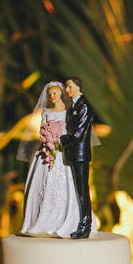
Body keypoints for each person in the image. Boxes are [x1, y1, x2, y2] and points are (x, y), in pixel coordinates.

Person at [18, 81, 83, 237]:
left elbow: (70, 131)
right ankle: (41, 218)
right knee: (42, 182)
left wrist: (60, 140)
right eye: (50, 94)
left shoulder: (68, 113)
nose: (52, 97)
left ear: (60, 94)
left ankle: (64, 218)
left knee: (64, 183)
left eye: (55, 93)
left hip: (61, 152)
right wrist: (47, 139)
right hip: (47, 150)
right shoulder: (46, 112)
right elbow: (43, 129)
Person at [61, 76, 101, 238]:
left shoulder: (84, 106)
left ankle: (86, 225)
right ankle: (80, 221)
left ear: (78, 87)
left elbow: (78, 134)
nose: (67, 90)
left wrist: (61, 140)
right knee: (78, 189)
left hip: (80, 154)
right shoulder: (73, 106)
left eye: (69, 86)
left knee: (83, 190)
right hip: (73, 154)